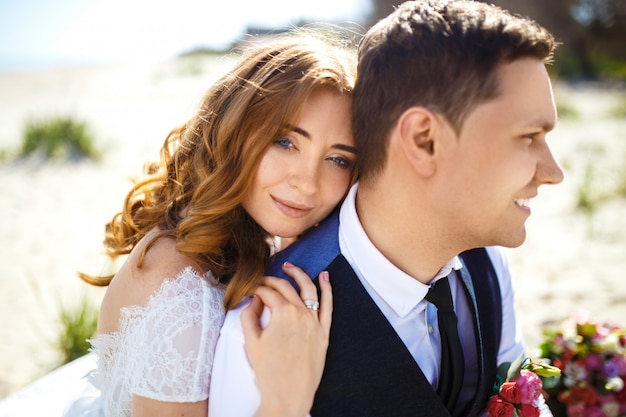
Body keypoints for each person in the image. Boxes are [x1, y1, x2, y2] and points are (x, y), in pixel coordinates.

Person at [209, 1, 564, 416]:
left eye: (337, 158)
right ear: (424, 140)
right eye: (528, 136)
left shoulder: (486, 266)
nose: (553, 172)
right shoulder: (264, 327)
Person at [63, 28, 358, 417]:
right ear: (234, 130)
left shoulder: (224, 235)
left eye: (338, 159)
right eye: (285, 142)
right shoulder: (185, 300)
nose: (306, 182)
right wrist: (285, 401)